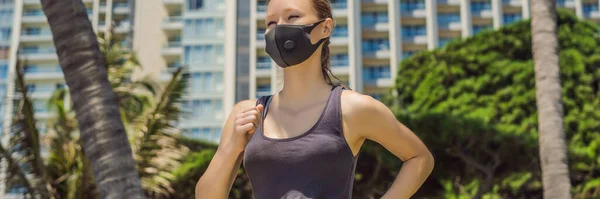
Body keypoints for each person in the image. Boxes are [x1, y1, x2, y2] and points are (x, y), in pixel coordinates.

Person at [195, 0, 434, 198]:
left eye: (292, 17)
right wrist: (231, 149)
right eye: (270, 22)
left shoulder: (352, 108)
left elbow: (419, 158)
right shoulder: (247, 112)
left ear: (325, 28)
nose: (279, 28)